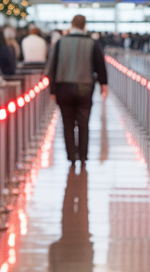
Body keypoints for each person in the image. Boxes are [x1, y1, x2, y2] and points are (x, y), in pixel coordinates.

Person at [44, 14, 108, 166]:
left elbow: (51, 68)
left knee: (67, 123)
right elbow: (100, 65)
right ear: (84, 25)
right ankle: (84, 155)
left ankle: (71, 156)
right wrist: (103, 84)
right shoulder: (92, 43)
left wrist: (52, 90)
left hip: (63, 87)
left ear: (71, 25)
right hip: (85, 87)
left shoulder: (60, 43)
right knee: (84, 123)